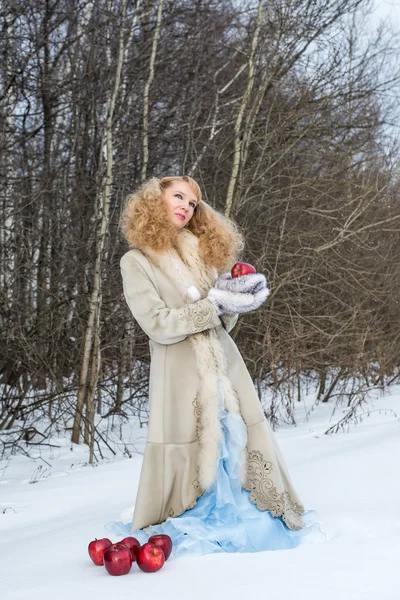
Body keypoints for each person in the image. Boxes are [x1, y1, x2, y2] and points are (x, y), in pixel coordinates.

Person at [105, 175, 326, 557]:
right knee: (194, 447)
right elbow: (158, 324)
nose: (186, 207)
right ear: (154, 200)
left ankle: (245, 515)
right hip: (180, 374)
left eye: (192, 204)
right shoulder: (136, 262)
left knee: (235, 443)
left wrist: (235, 299)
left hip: (225, 369)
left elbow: (221, 320)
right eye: (179, 197)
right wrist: (212, 306)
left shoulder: (198, 252)